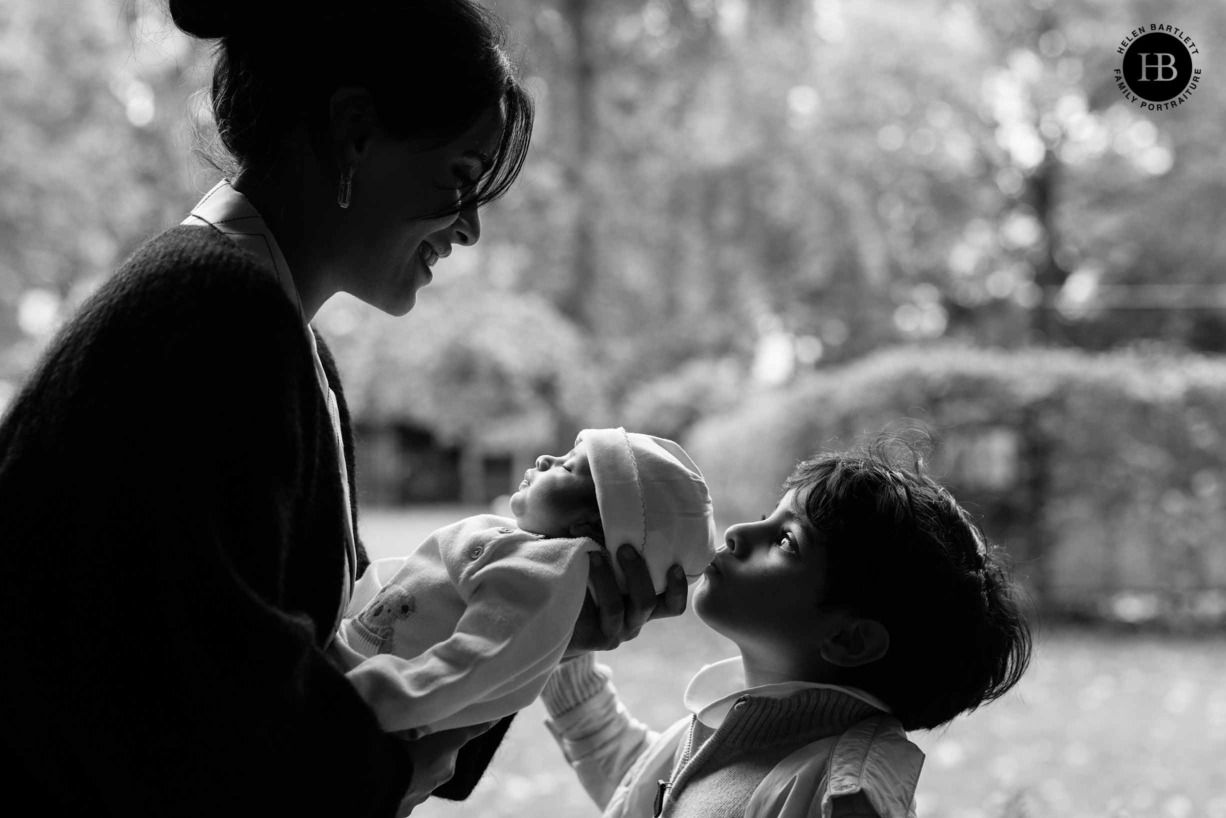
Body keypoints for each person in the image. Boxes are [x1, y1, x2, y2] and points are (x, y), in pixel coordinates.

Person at [0, 2, 688, 816]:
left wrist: (536, 623)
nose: (468, 228)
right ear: (356, 132)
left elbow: (359, 644)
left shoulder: (271, 330)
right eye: (460, 179)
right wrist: (387, 771)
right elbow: (214, 706)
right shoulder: (215, 314)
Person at [543, 435, 1033, 818]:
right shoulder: (731, 732)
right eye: (765, 517)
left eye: (785, 541)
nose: (738, 533)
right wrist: (561, 640)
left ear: (849, 638)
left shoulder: (841, 798)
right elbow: (639, 786)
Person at [332, 428, 717, 739]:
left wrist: (370, 699)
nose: (545, 459)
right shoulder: (523, 548)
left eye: (567, 468)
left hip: (357, 692)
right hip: (342, 656)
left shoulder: (545, 574)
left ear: (587, 527)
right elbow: (414, 580)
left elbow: (474, 661)